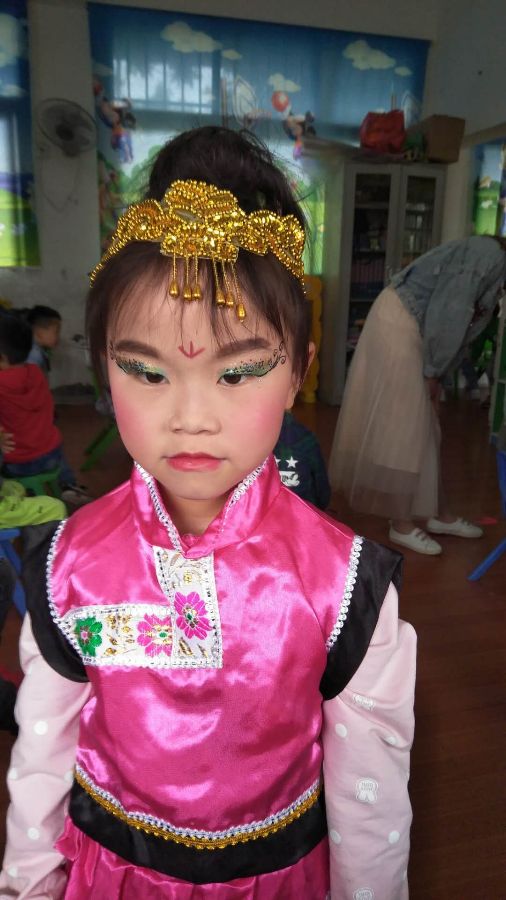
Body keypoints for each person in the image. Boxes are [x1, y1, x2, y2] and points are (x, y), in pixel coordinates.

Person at [0, 127, 416, 899]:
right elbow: (41, 758)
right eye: (147, 372)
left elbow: (372, 804)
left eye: (239, 372)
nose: (191, 418)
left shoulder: (344, 587)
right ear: (105, 371)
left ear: (297, 373)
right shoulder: (67, 566)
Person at [328, 235, 506, 556]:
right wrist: (433, 371)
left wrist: (439, 372)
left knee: (427, 427)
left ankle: (438, 513)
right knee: (407, 428)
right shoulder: (488, 254)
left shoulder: (494, 263)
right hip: (400, 322)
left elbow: (463, 324)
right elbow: (450, 311)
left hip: (415, 327)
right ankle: (402, 523)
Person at [0, 313, 91, 507]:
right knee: (48, 435)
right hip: (52, 453)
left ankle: (27, 498)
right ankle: (68, 485)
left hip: (20, 463)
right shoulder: (35, 372)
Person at [274, 409, 331, 509]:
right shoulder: (307, 438)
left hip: (269, 509)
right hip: (304, 508)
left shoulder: (254, 439)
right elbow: (320, 479)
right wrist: (322, 505)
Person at [25, 305, 62, 376]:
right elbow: (31, 380)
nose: (58, 337)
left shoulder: (36, 349)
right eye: (56, 331)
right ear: (40, 332)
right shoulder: (34, 355)